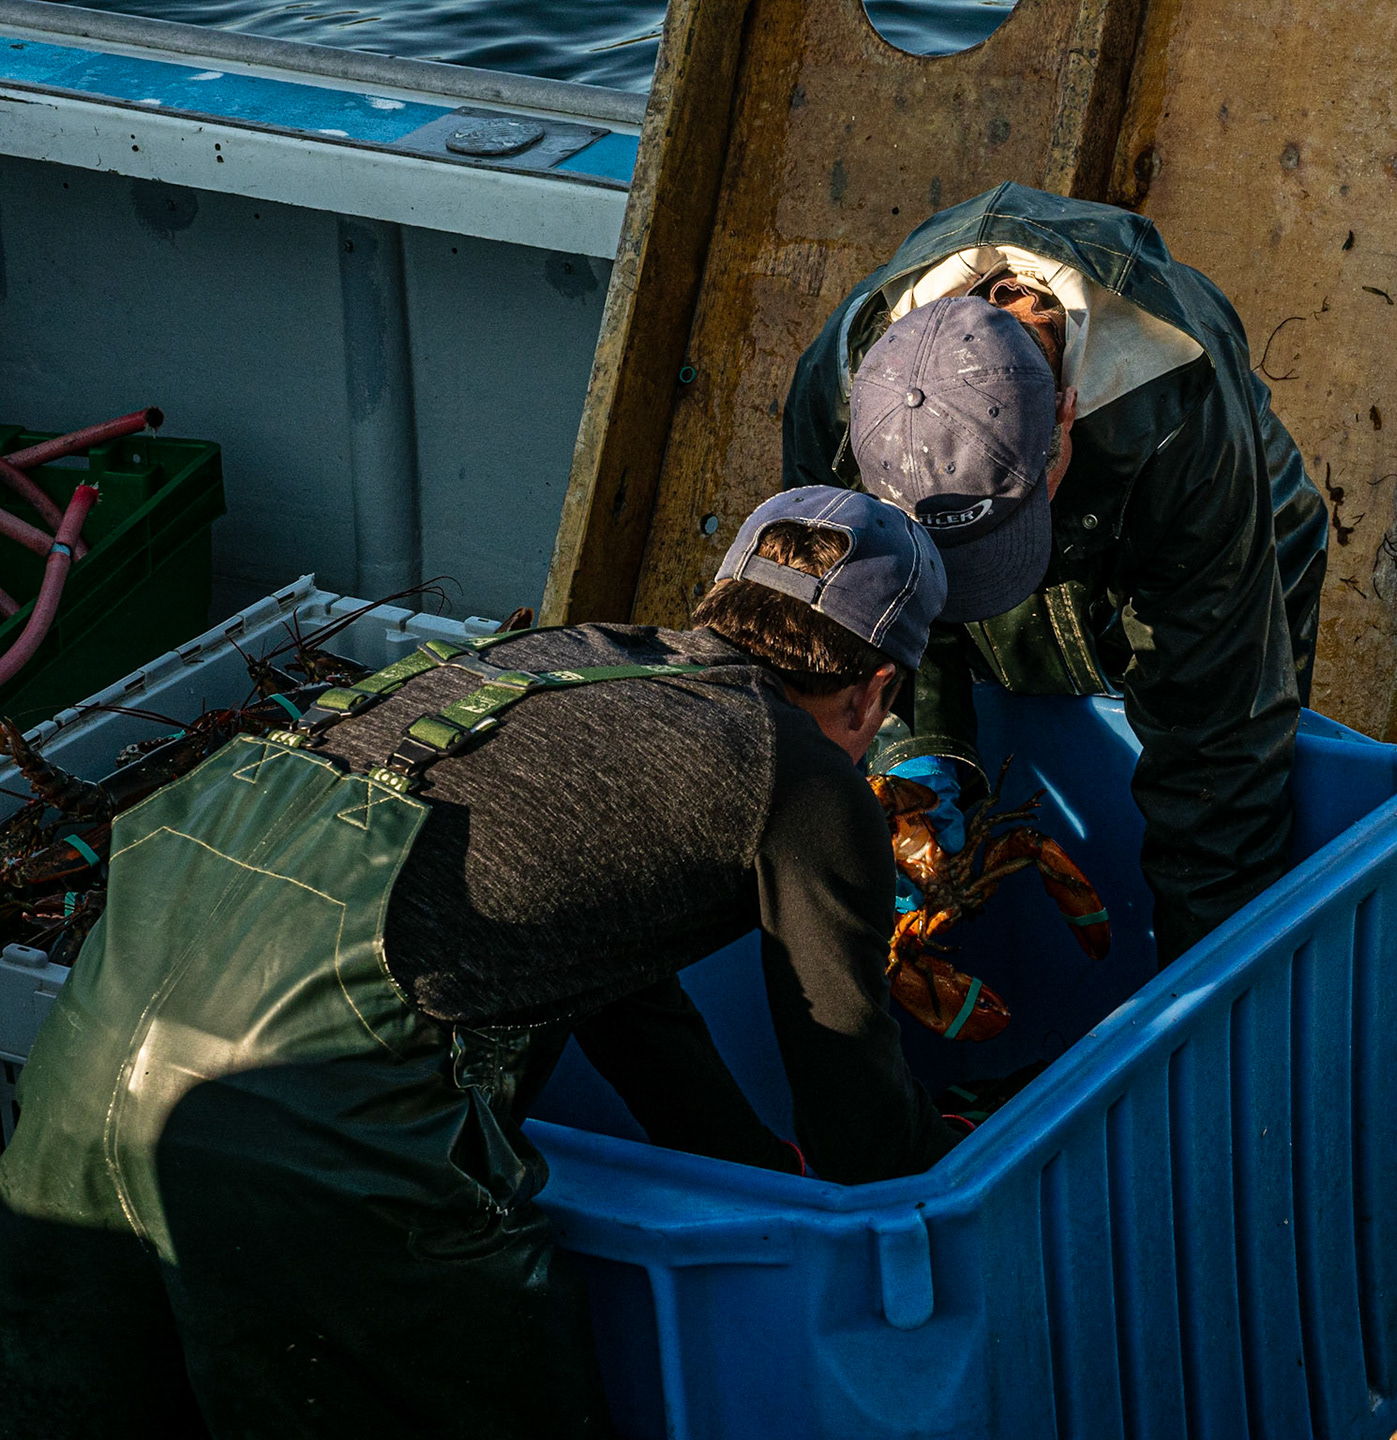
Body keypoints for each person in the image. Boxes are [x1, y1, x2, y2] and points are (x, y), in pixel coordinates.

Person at [0, 487, 959, 1439]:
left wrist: (749, 1167)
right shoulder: (802, 774)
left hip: (86, 1059)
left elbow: (618, 992)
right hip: (311, 1141)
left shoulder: (568, 658)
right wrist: (950, 1167)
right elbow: (854, 1107)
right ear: (874, 690)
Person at [784, 182, 1330, 963]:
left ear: (1065, 416)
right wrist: (916, 746)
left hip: (1226, 535)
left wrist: (1202, 998)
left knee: (1224, 805)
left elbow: (1219, 754)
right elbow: (861, 615)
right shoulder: (835, 392)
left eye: (994, 542)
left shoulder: (1182, 424)